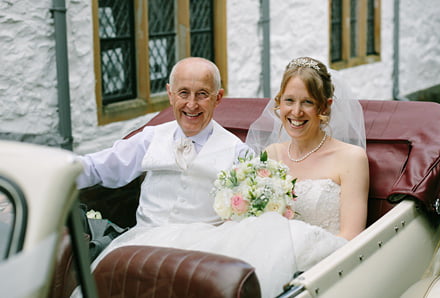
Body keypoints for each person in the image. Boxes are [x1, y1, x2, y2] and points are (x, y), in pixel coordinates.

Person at [90, 57, 370, 297]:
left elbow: (350, 237)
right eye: (289, 101)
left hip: (322, 257)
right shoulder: (270, 154)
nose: (296, 112)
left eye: (307, 102)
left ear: (325, 106)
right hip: (262, 248)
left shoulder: (351, 158)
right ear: (278, 104)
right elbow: (246, 217)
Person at [75, 57, 251, 228]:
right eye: (183, 93)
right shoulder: (150, 138)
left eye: (202, 94)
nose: (191, 104)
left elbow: (247, 212)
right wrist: (56, 174)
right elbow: (97, 167)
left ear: (218, 97)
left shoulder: (239, 153)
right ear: (170, 94)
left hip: (200, 250)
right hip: (144, 242)